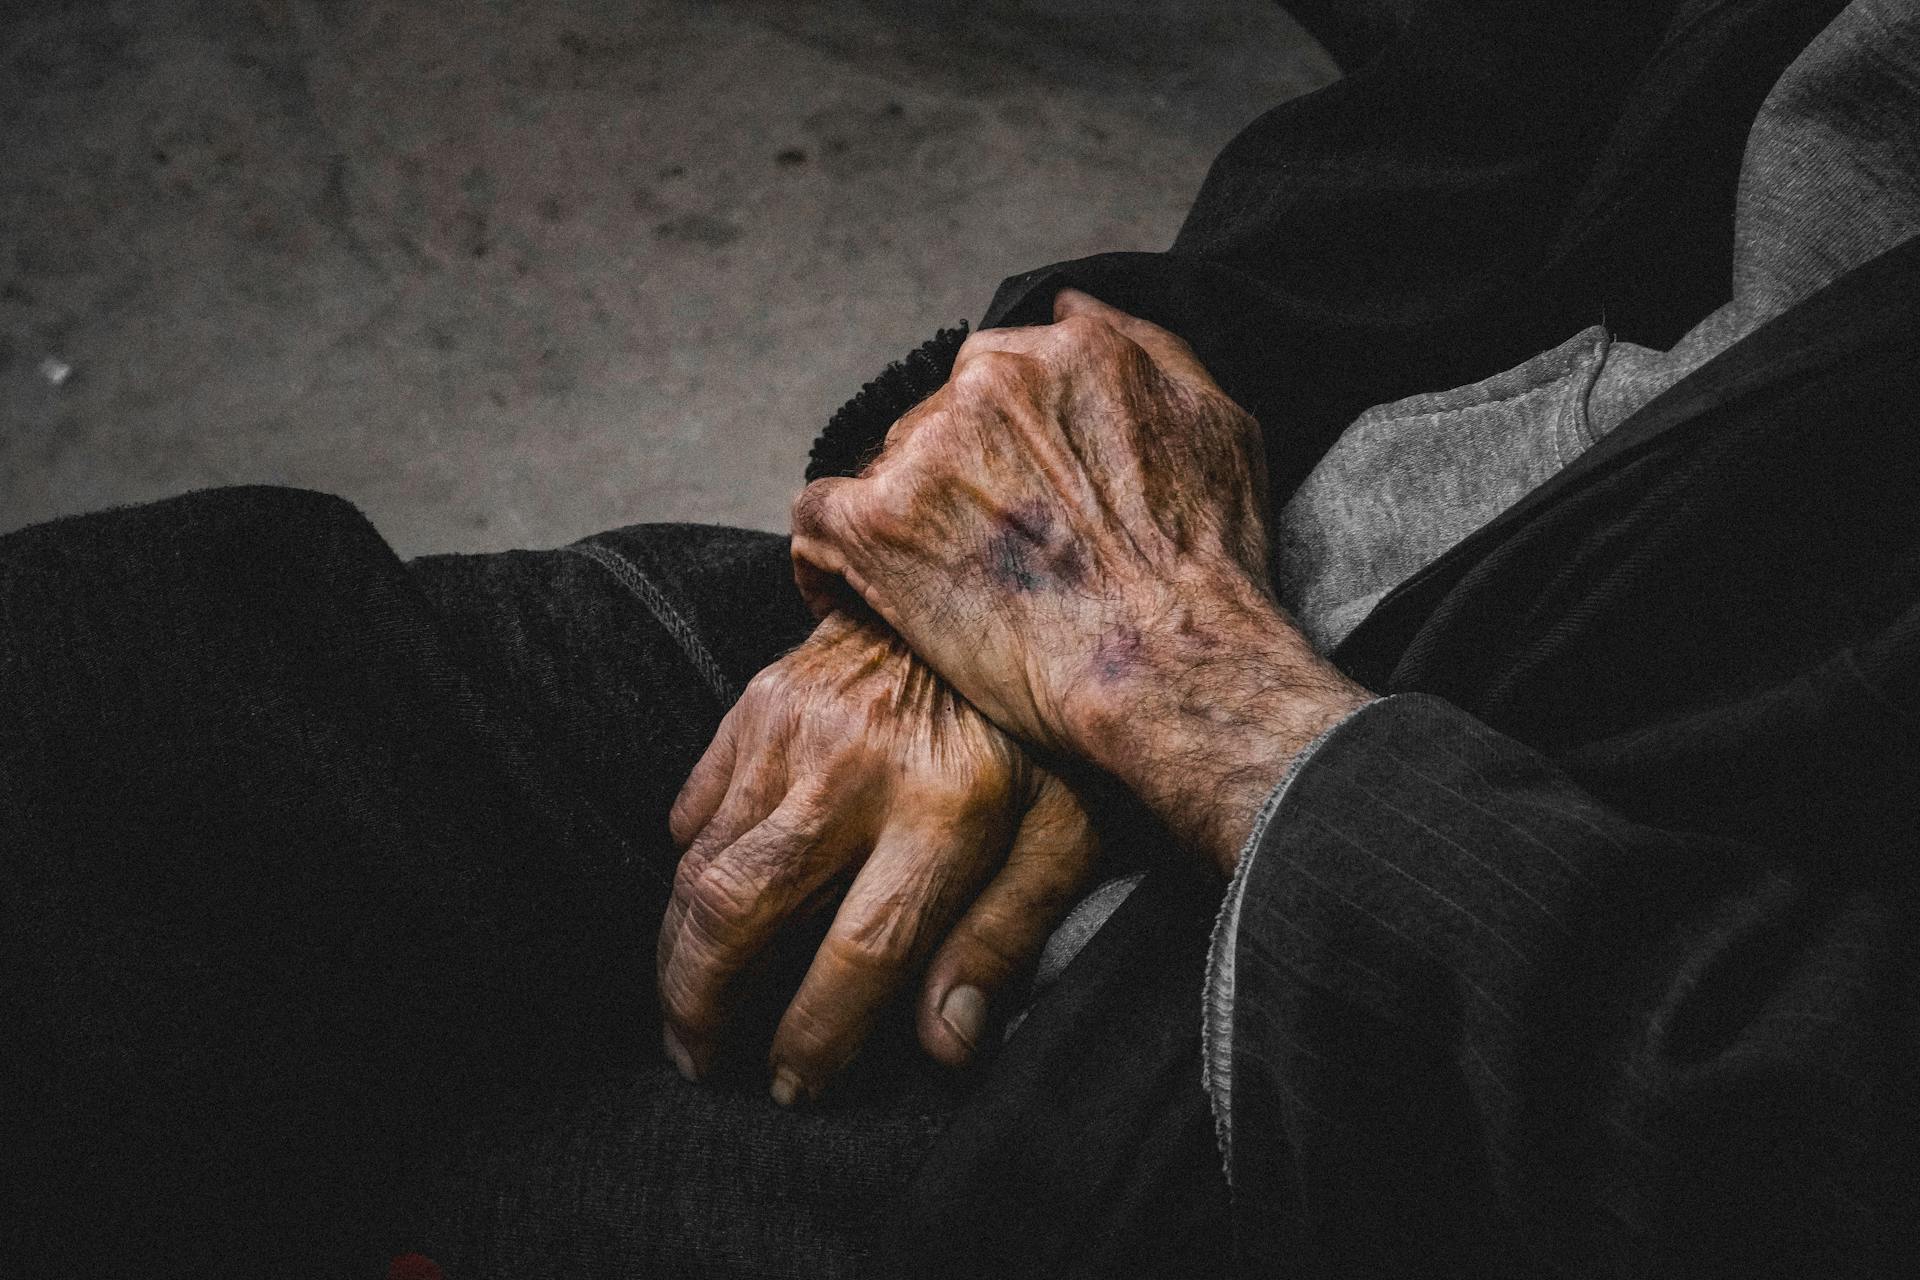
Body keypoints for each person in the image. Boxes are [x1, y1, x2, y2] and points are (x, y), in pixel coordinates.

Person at [5, 0, 1918, 1276]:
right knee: (104, 727)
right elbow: (1502, 106)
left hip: (1453, 1023)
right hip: (1188, 590)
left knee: (430, 1166)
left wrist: (1215, 717)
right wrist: (1076, 463)